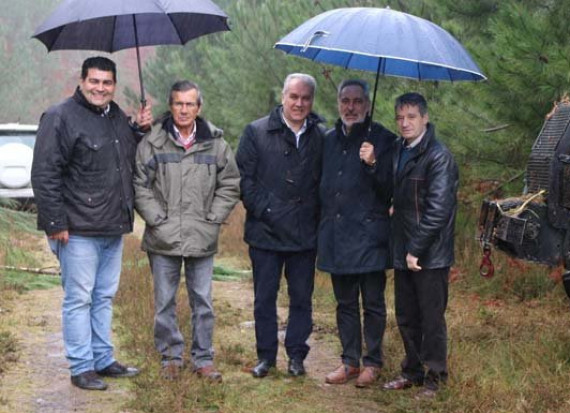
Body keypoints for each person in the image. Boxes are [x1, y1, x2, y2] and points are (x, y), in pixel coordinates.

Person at [31, 56, 152, 391]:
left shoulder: (115, 117)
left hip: (112, 226)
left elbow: (123, 157)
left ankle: (103, 359)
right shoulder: (59, 117)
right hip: (76, 229)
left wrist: (138, 129)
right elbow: (44, 174)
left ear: (114, 85)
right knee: (79, 298)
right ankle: (82, 366)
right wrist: (55, 222)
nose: (101, 88)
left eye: (107, 82)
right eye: (95, 81)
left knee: (103, 297)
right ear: (82, 81)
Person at [133, 80, 240, 382]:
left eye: (189, 104)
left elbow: (230, 183)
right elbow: (139, 184)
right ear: (171, 106)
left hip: (202, 237)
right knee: (165, 300)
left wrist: (213, 218)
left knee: (203, 301)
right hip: (162, 238)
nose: (183, 109)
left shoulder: (216, 144)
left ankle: (203, 359)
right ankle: (170, 357)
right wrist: (156, 219)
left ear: (199, 108)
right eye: (178, 103)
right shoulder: (152, 142)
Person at [236, 73, 325, 378]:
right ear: (283, 96)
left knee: (301, 298)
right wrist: (271, 211)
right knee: (264, 299)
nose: (299, 103)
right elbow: (245, 183)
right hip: (266, 233)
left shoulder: (321, 137)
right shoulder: (256, 132)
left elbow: (325, 185)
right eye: (293, 97)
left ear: (311, 101)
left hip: (304, 235)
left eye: (305, 98)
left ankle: (297, 356)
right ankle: (266, 357)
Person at [319, 80, 397, 388]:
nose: (350, 107)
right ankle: (349, 361)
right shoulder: (327, 140)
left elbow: (391, 188)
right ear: (338, 103)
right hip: (337, 235)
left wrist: (373, 163)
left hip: (370, 237)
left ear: (366, 104)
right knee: (345, 303)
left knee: (373, 303)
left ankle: (373, 362)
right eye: (345, 100)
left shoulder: (384, 140)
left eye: (357, 101)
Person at [382, 93, 459, 398]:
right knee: (406, 315)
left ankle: (436, 378)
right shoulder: (400, 150)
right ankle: (411, 371)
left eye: (411, 117)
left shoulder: (439, 157)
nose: (405, 123)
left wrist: (417, 249)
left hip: (430, 253)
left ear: (425, 118)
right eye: (400, 117)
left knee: (431, 317)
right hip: (404, 248)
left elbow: (438, 209)